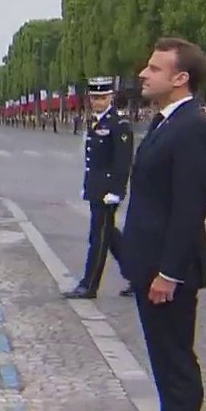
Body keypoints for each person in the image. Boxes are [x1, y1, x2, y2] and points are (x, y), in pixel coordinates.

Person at [115, 37, 206, 411]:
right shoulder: (166, 123)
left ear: (181, 79)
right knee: (165, 364)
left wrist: (169, 273)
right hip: (152, 265)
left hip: (166, 273)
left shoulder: (191, 126)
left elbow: (189, 206)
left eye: (154, 68)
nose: (143, 73)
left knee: (175, 368)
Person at [64, 77, 133, 300]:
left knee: (99, 238)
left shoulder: (118, 124)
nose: (97, 102)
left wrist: (117, 191)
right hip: (97, 189)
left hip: (108, 192)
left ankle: (89, 284)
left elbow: (123, 161)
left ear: (111, 97)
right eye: (94, 97)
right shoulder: (97, 122)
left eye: (102, 97)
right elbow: (92, 159)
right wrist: (88, 186)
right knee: (110, 236)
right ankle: (138, 275)